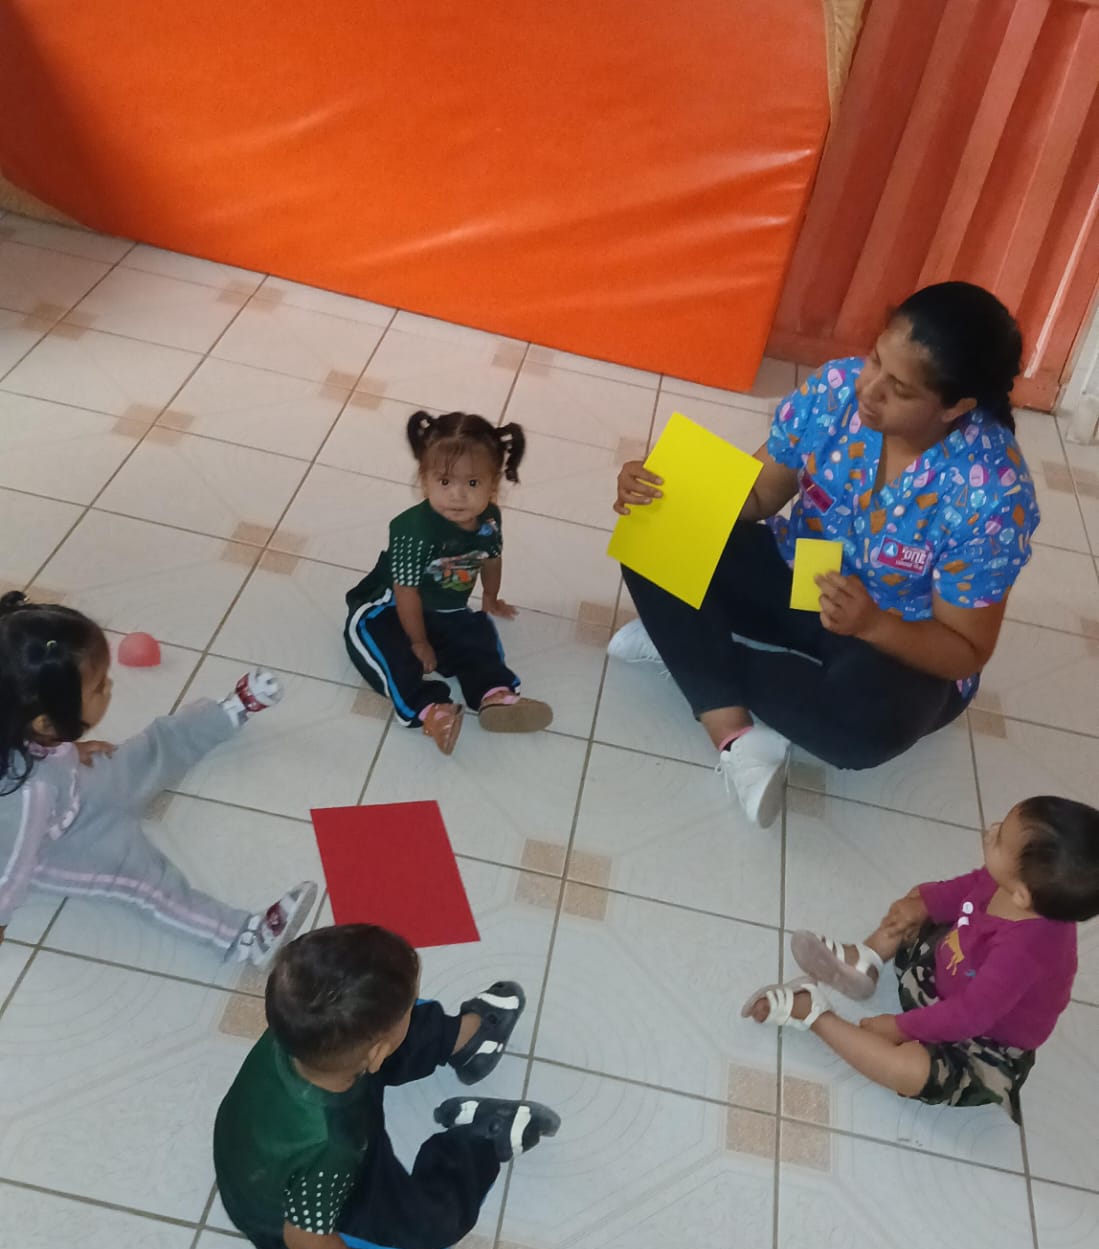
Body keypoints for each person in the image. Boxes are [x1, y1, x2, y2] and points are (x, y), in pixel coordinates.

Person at [610, 282, 1039, 827]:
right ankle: (736, 736)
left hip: (899, 638)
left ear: (956, 407)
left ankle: (685, 646)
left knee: (863, 730)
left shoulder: (992, 494)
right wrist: (667, 489)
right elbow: (760, 494)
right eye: (875, 359)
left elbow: (965, 650)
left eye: (900, 389)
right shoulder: (836, 389)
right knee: (655, 529)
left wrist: (872, 623)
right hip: (804, 571)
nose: (869, 390)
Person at [213, 923, 561, 1249]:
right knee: (428, 1237)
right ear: (375, 1057)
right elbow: (306, 1239)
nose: (414, 1006)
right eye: (411, 1004)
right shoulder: (331, 1149)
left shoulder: (299, 1025)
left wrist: (398, 1018)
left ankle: (467, 1041)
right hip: (300, 1200)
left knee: (373, 1023)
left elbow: (370, 1033)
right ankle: (479, 1141)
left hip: (305, 1119)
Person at [0, 592, 315, 963]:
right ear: (46, 722)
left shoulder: (24, 724)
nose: (109, 688)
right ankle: (242, 937)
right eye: (98, 688)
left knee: (149, 748)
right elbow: (11, 867)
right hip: (59, 846)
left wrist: (68, 748)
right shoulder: (28, 795)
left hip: (75, 790)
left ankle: (224, 715)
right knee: (145, 879)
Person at [742, 797, 1099, 1123]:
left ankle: (812, 1012)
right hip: (951, 966)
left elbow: (968, 1016)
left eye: (1000, 838)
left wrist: (900, 1028)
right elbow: (969, 886)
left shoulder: (1027, 952)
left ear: (1021, 895)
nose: (991, 831)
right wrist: (924, 904)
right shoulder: (1015, 887)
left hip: (982, 1036)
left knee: (909, 1071)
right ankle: (865, 959)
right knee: (920, 900)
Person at [344, 410, 553, 755]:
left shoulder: (490, 520)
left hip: (445, 608)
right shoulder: (413, 530)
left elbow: (492, 558)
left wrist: (491, 597)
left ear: (493, 485)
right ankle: (430, 710)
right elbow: (406, 590)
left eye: (472, 483)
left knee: (477, 636)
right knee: (389, 652)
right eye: (444, 482)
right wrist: (419, 642)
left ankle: (493, 693)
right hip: (389, 607)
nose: (458, 495)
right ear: (424, 480)